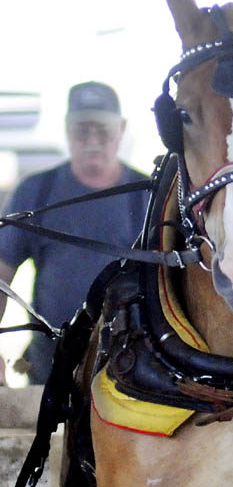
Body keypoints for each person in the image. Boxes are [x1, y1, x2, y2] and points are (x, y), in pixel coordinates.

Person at [0, 82, 150, 384]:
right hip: (52, 363)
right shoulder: (36, 191)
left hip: (134, 365)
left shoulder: (149, 196)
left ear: (120, 129)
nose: (92, 139)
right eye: (82, 129)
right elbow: (1, 274)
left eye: (103, 129)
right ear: (67, 130)